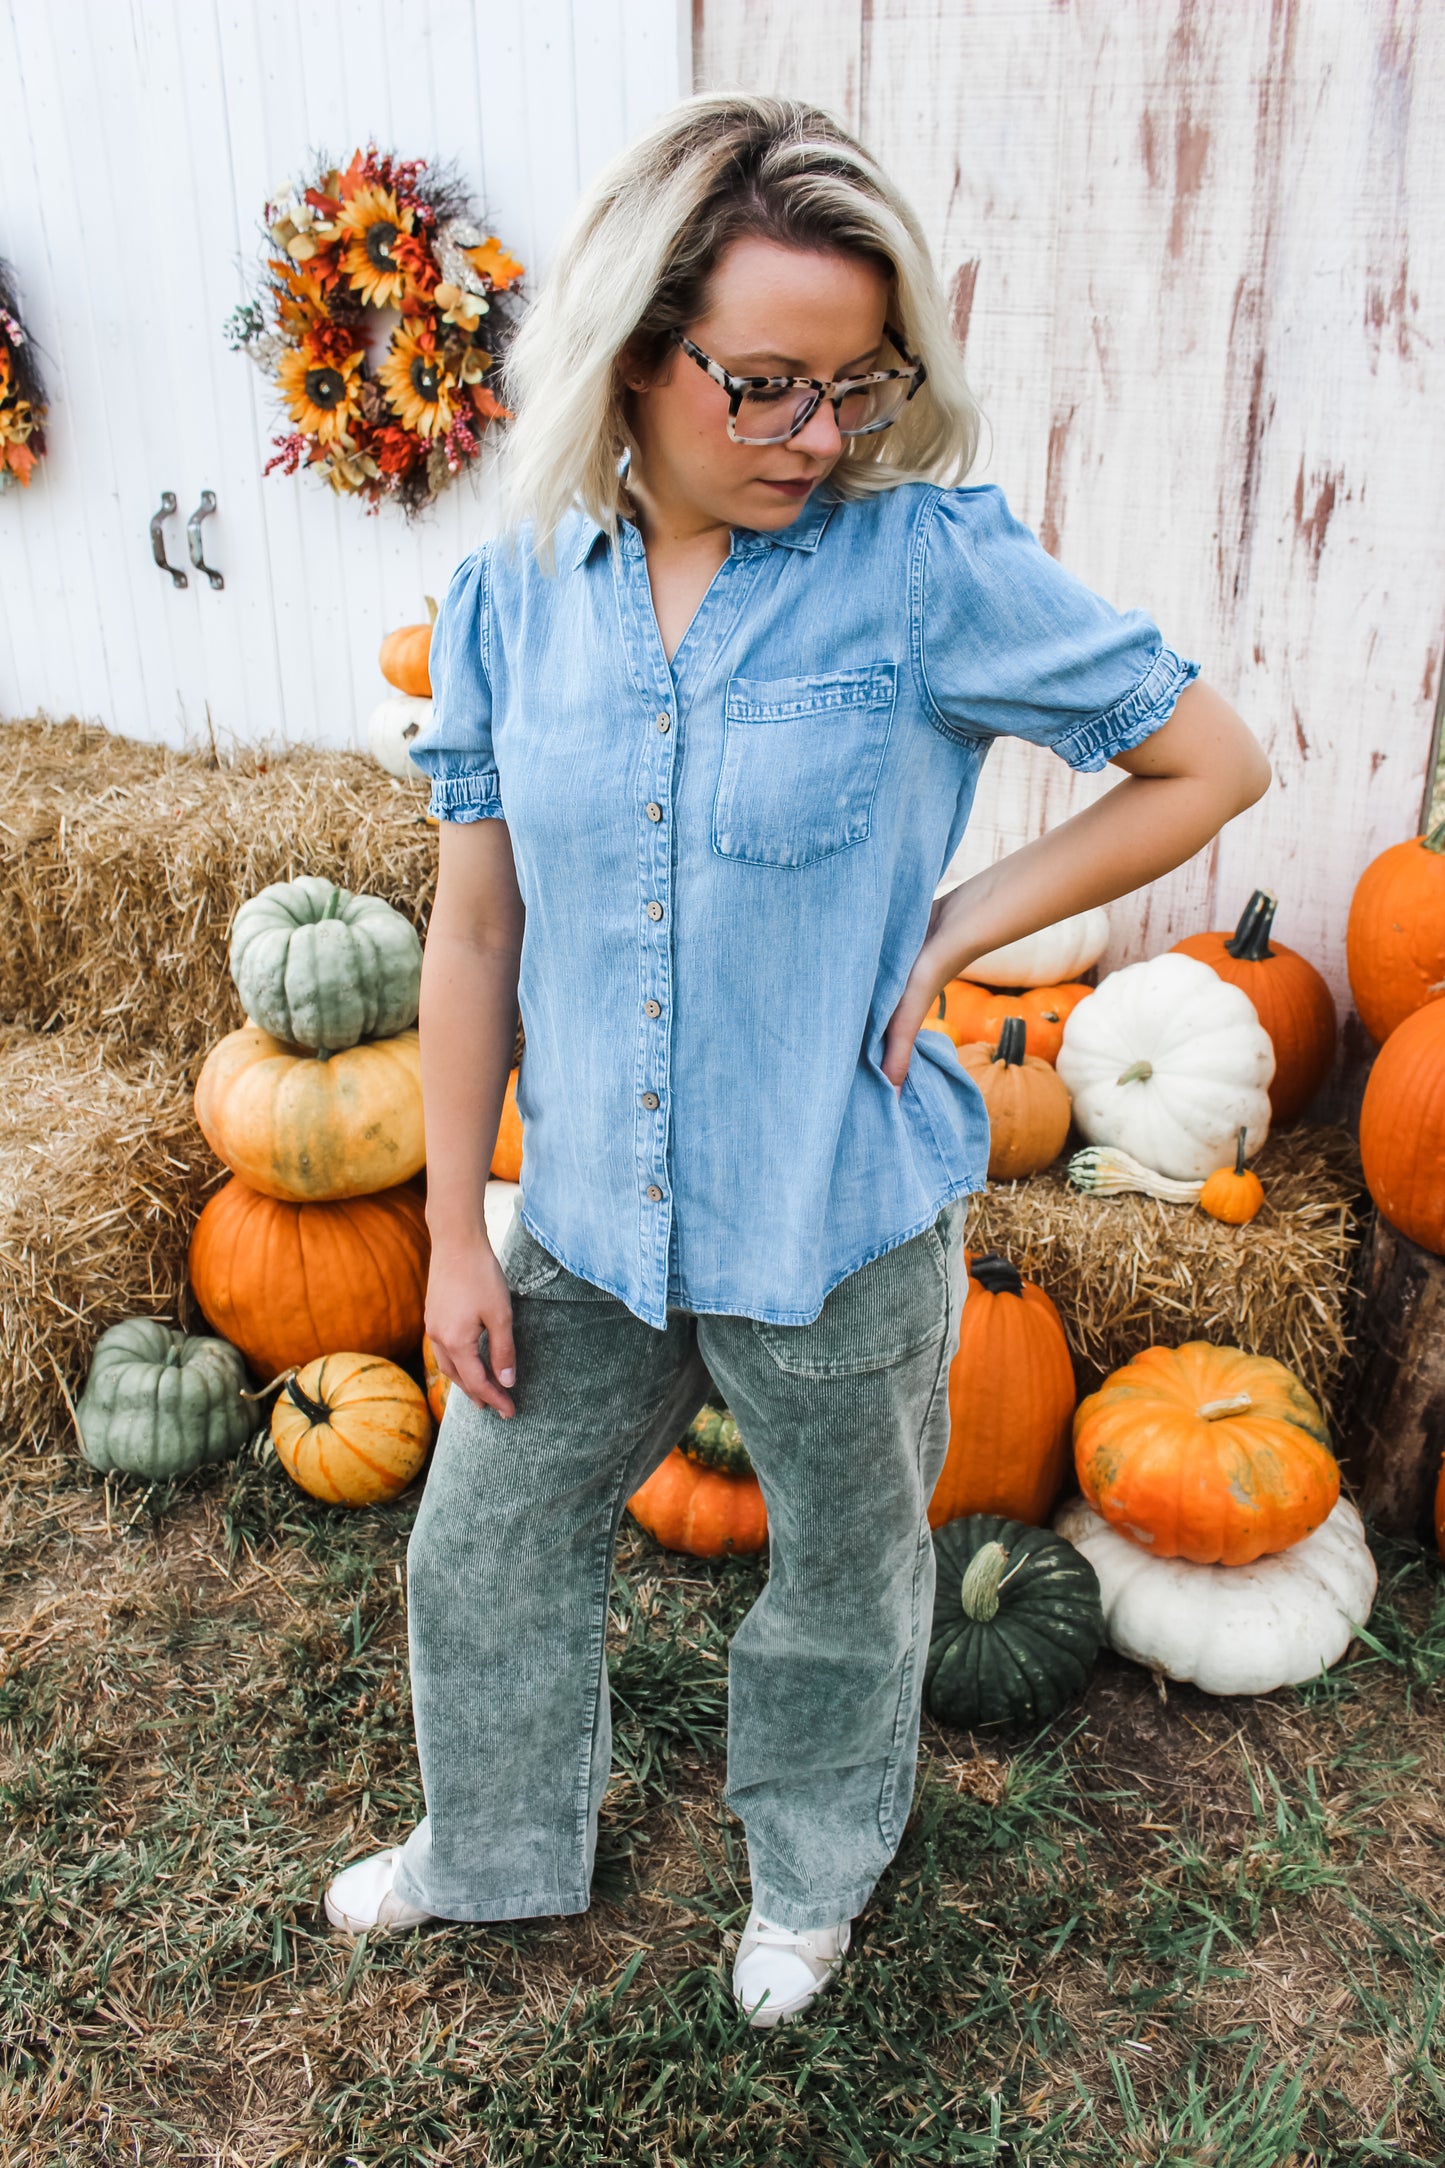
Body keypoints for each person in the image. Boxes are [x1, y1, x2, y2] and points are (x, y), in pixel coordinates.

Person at [321, 92, 1270, 2026]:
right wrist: (453, 1232)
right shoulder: (512, 598)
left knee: (841, 1581)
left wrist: (958, 925)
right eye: (761, 385)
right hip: (588, 1218)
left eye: (854, 385)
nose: (817, 435)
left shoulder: (918, 567)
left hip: (834, 1215)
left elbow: (1206, 761)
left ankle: (810, 1876)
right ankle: (486, 1847)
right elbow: (477, 929)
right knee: (479, 1545)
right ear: (632, 350)